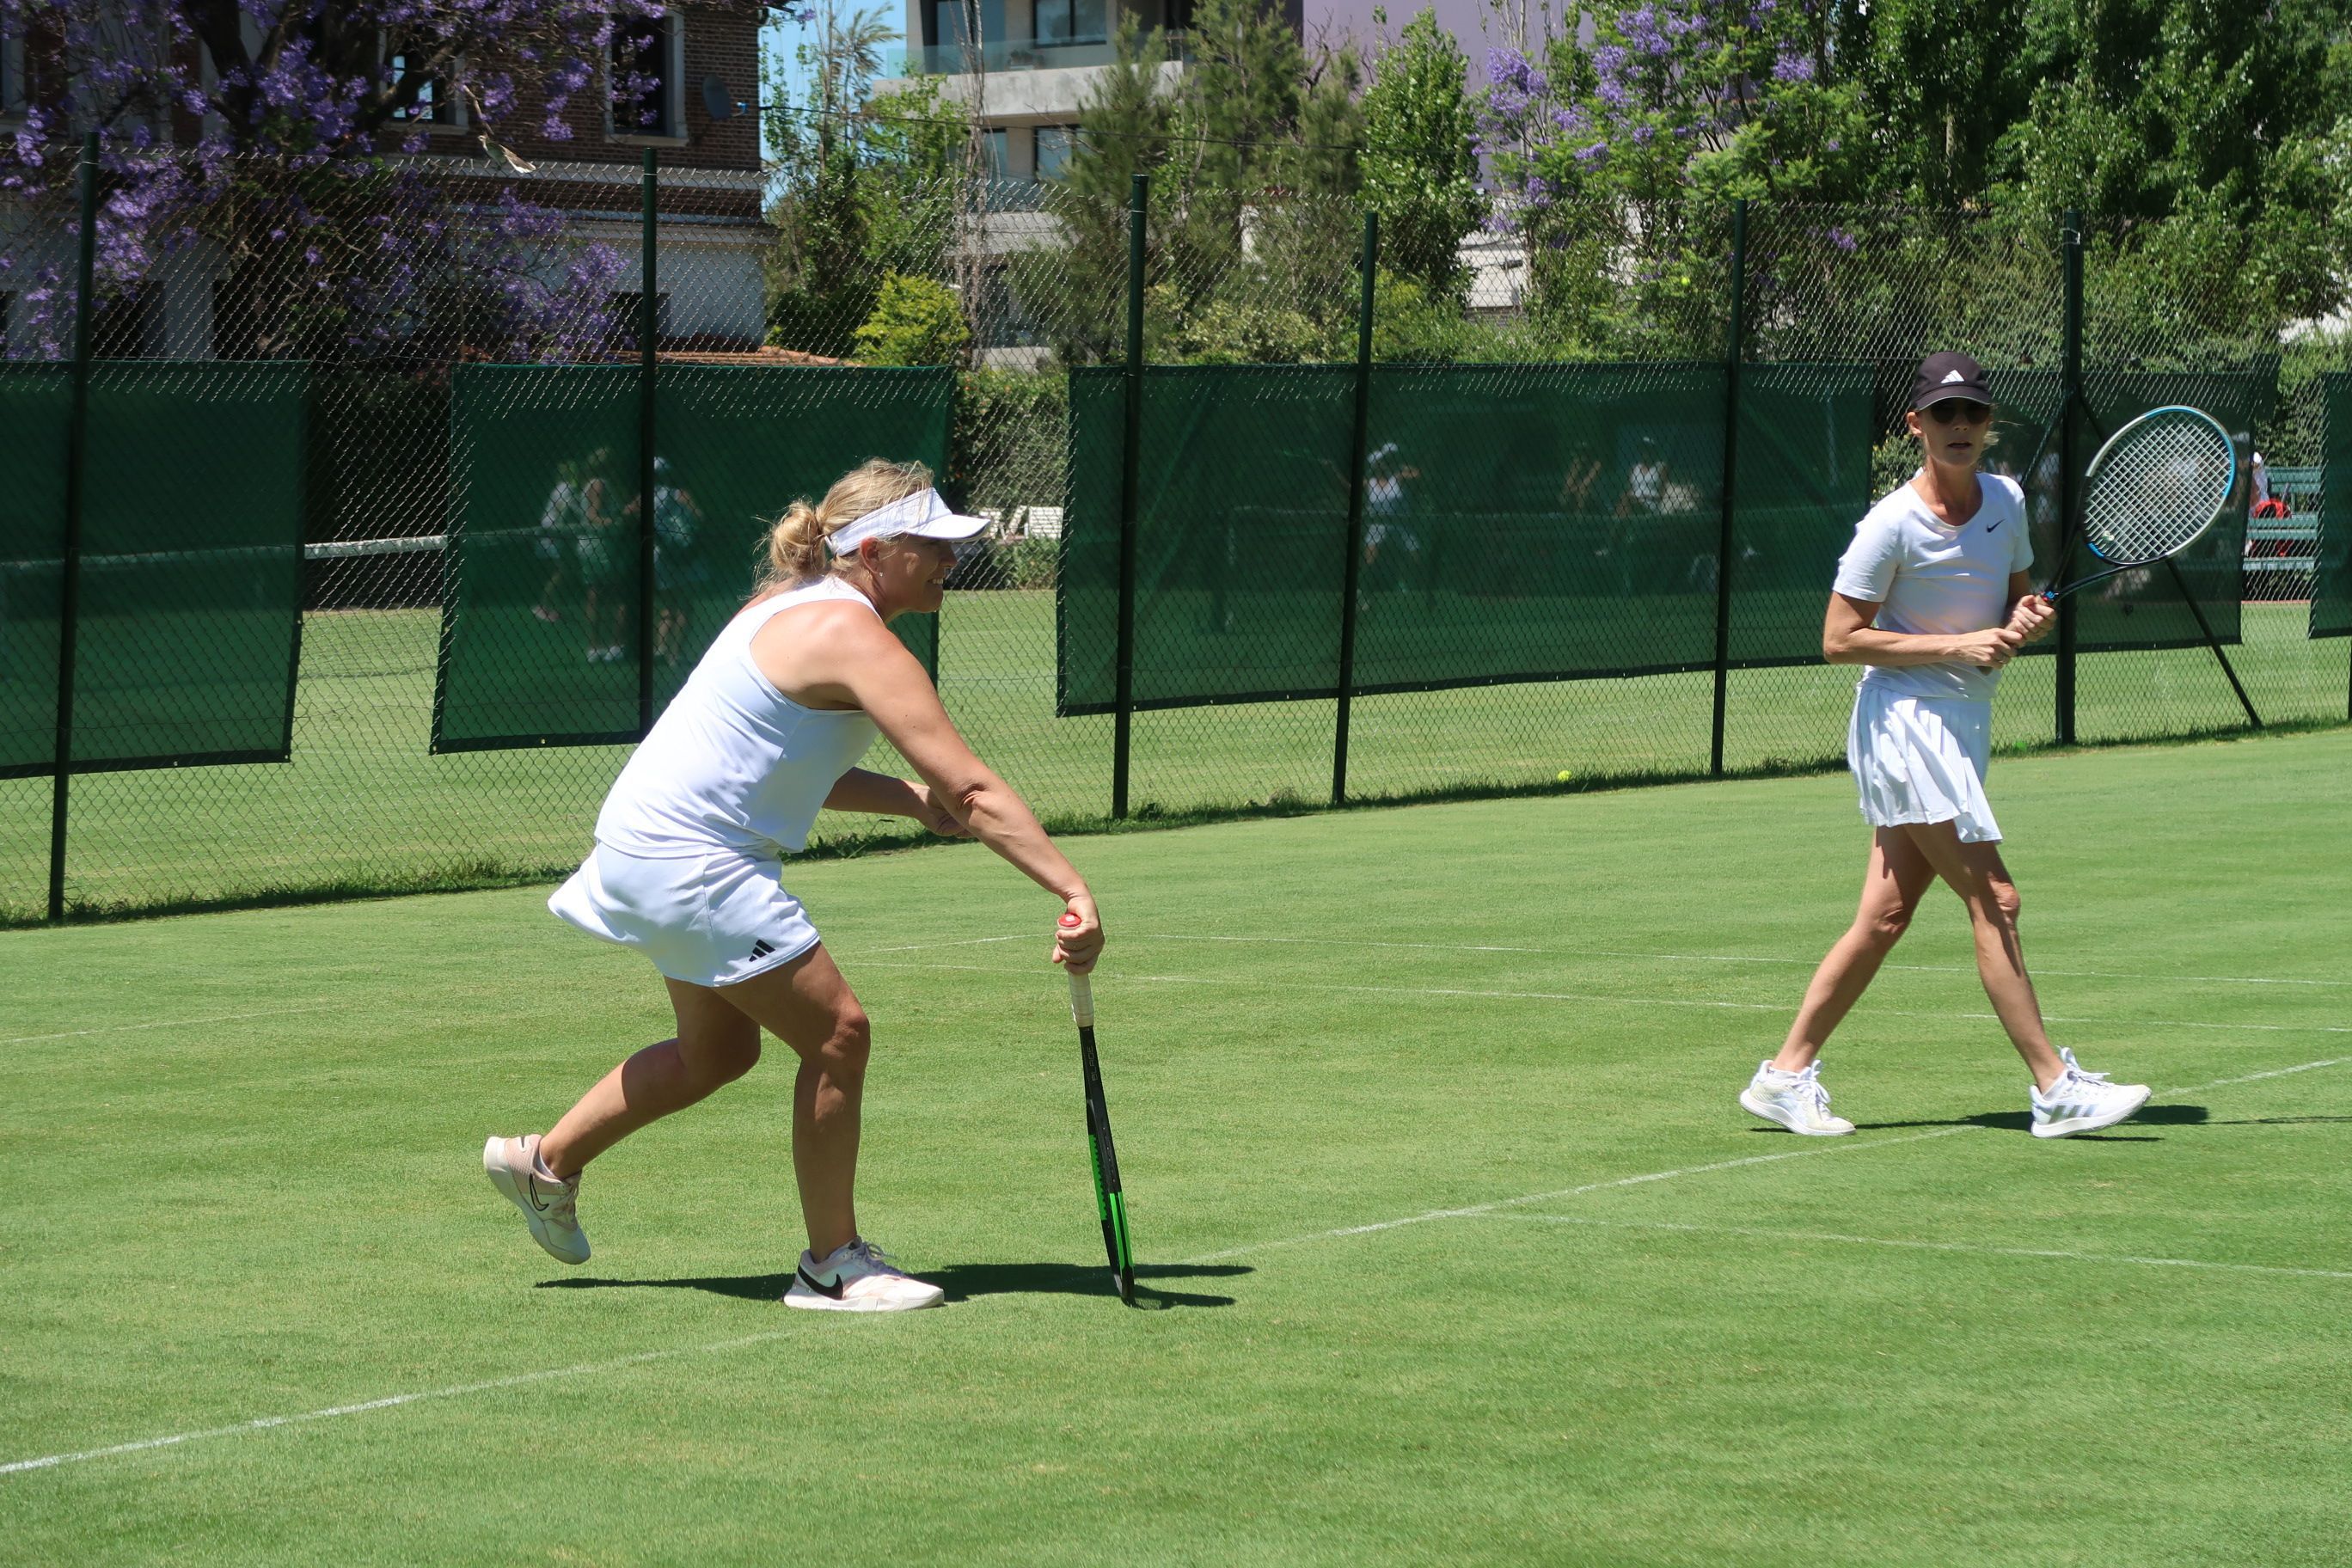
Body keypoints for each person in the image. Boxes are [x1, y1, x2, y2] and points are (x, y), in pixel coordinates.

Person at [485, 459, 1106, 1311]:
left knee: (720, 1051)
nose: (950, 564)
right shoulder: (853, 634)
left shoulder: (783, 606)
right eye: (935, 547)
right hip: (692, 858)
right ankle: (832, 1265)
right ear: (877, 551)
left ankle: (542, 1165)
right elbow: (976, 790)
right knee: (839, 1033)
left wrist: (909, 804)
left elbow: (774, 762)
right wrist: (1072, 889)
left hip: (648, 846)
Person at [1740, 352, 2151, 1141]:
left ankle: (1784, 1076)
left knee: (1886, 916)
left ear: (1988, 424)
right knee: (1996, 898)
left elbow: (2017, 599)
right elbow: (1837, 639)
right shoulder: (1890, 523)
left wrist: (2028, 620)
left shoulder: (2006, 499)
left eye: (1971, 414)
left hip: (1963, 725)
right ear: (1916, 426)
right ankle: (2055, 1087)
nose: (1958, 427)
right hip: (1903, 725)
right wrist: (1957, 648)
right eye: (1942, 414)